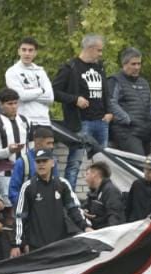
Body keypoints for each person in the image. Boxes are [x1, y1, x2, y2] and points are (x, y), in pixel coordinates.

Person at [54, 34, 112, 186]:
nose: (100, 54)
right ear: (90, 48)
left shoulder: (100, 67)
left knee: (103, 165)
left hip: (101, 121)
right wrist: (75, 99)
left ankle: (102, 196)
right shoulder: (70, 67)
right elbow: (54, 92)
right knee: (75, 163)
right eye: (99, 50)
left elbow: (105, 92)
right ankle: (69, 199)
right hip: (81, 123)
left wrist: (109, 111)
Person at [12, 149, 88, 256]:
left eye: (44, 161)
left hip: (61, 245)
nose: (41, 164)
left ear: (52, 163)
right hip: (37, 247)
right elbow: (20, 216)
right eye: (38, 162)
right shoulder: (28, 187)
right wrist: (17, 244)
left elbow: (74, 208)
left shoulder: (62, 184)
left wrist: (85, 226)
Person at [108, 48, 151, 156]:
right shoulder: (115, 80)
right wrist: (127, 119)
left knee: (147, 167)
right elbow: (111, 103)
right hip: (127, 132)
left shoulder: (144, 82)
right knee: (139, 165)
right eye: (133, 64)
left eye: (139, 64)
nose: (137, 67)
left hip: (145, 131)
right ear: (124, 64)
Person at [5, 38, 54, 130]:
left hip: (44, 120)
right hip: (24, 120)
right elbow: (21, 96)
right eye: (24, 50)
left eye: (30, 50)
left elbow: (50, 97)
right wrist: (41, 90)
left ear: (35, 53)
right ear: (19, 51)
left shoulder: (40, 71)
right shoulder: (12, 72)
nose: (27, 53)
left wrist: (28, 92)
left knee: (45, 145)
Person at [83, 162, 124, 230]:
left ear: (94, 175)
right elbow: (83, 207)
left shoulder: (111, 191)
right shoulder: (93, 193)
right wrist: (83, 211)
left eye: (87, 174)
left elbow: (115, 218)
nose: (85, 179)